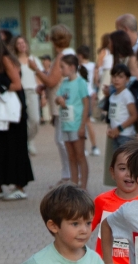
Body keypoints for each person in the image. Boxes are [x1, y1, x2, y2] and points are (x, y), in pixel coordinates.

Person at [0, 30, 34, 200]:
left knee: (15, 146)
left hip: (13, 110)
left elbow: (17, 84)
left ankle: (19, 185)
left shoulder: (5, 59)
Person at [30, 25, 76, 185]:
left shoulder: (62, 56)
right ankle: (68, 174)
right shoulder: (69, 53)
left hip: (63, 104)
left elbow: (52, 80)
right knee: (62, 140)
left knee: (63, 141)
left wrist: (36, 70)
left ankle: (70, 175)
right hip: (65, 103)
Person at [56, 54, 89, 189]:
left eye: (62, 67)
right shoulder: (63, 83)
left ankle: (84, 186)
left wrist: (82, 125)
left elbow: (86, 104)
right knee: (71, 156)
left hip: (76, 124)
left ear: (72, 67)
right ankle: (74, 185)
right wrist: (58, 100)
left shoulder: (81, 83)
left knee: (80, 155)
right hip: (66, 124)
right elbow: (58, 97)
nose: (60, 70)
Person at [13, 36, 43, 157]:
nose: (21, 45)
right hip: (19, 92)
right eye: (18, 43)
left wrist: (43, 95)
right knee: (21, 120)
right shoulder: (14, 61)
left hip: (32, 91)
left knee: (35, 120)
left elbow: (39, 76)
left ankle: (29, 139)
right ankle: (24, 144)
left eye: (23, 42)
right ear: (15, 46)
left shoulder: (33, 59)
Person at [107, 64, 138, 149]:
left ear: (127, 79)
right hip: (115, 135)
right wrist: (111, 129)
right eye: (114, 76)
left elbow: (134, 116)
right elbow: (113, 116)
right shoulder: (112, 96)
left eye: (120, 77)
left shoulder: (127, 95)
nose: (116, 79)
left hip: (126, 135)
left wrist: (119, 128)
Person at [76, 45, 99, 156]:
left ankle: (84, 147)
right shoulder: (93, 65)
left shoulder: (78, 67)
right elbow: (95, 81)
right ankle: (94, 146)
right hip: (90, 93)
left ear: (80, 55)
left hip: (81, 95)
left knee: (83, 122)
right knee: (88, 122)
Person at [96, 33, 113, 106]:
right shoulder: (104, 51)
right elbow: (98, 65)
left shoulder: (111, 52)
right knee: (102, 91)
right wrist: (97, 78)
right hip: (106, 72)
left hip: (110, 72)